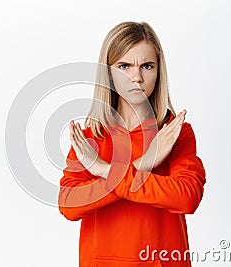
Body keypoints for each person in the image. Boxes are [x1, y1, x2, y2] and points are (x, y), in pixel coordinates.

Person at [58, 21, 206, 267]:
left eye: (147, 66)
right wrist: (144, 163)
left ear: (159, 72)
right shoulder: (90, 137)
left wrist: (105, 170)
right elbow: (69, 205)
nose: (137, 77)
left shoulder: (174, 132)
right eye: (124, 66)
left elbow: (186, 197)